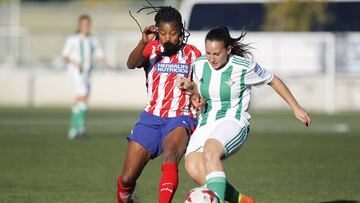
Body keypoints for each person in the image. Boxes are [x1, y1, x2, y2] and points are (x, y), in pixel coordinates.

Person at [177, 26, 311, 203]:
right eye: (208, 52)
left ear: (228, 50)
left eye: (216, 53)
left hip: (233, 121)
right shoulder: (200, 65)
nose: (211, 58)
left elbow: (273, 80)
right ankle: (240, 200)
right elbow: (201, 92)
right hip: (206, 121)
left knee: (211, 150)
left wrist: (296, 107)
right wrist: (193, 91)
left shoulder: (243, 67)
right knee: (193, 166)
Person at [116, 5, 201, 203]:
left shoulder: (193, 54)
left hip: (181, 116)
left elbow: (202, 83)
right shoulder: (151, 50)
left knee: (170, 158)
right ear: (156, 31)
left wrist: (196, 91)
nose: (167, 38)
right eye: (162, 33)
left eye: (172, 33)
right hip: (151, 117)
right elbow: (131, 63)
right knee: (127, 178)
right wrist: (142, 42)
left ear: (181, 32)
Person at [62, 14, 111, 140]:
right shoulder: (72, 39)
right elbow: (65, 56)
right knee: (82, 96)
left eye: (87, 24)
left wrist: (108, 65)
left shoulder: (92, 39)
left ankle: (76, 130)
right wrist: (75, 62)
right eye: (83, 24)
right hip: (75, 72)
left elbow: (100, 54)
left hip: (88, 73)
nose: (85, 26)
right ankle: (77, 130)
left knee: (82, 100)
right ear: (79, 25)